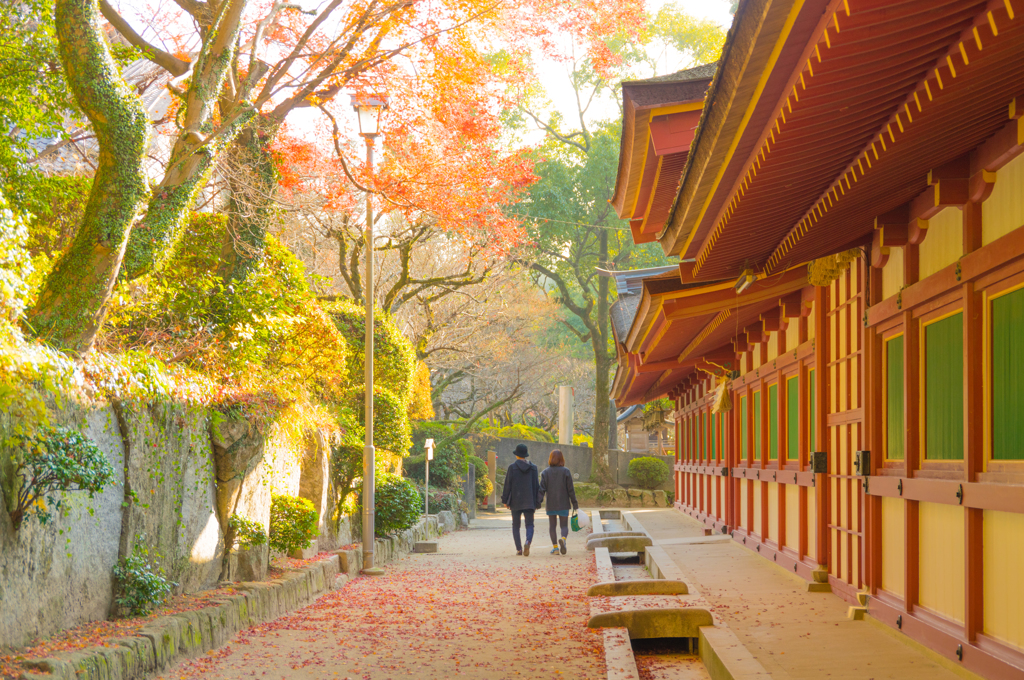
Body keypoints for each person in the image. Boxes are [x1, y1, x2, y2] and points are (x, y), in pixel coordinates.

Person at [501, 443, 541, 556]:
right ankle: (528, 541)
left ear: (517, 455)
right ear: (525, 455)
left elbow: (507, 485)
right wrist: (537, 502)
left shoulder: (512, 467)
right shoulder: (533, 468)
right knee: (529, 524)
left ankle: (519, 549)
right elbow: (536, 486)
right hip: (529, 501)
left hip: (515, 501)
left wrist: (505, 500)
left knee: (516, 525)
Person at [539, 449, 578, 555]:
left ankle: (555, 548)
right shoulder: (566, 471)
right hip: (564, 503)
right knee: (564, 526)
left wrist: (538, 502)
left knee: (552, 526)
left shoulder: (545, 472)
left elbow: (541, 489)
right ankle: (563, 539)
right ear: (562, 459)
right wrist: (575, 503)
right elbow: (571, 489)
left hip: (551, 503)